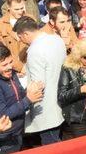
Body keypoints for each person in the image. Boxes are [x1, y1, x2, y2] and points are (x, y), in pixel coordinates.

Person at [0, 45, 44, 154]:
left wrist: (30, 91)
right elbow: (3, 115)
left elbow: (17, 95)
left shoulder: (10, 73)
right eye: (4, 65)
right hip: (3, 141)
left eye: (10, 62)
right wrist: (28, 100)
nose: (10, 67)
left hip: (16, 134)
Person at [14, 17, 66, 145]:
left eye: (20, 37)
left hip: (45, 108)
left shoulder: (34, 51)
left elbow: (38, 83)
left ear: (26, 34)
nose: (20, 40)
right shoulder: (56, 39)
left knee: (51, 146)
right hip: (61, 101)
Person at [0, 0, 28, 74]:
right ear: (9, 8)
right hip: (11, 69)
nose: (20, 11)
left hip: (29, 65)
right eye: (16, 9)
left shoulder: (30, 20)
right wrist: (20, 68)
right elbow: (1, 51)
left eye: (22, 8)